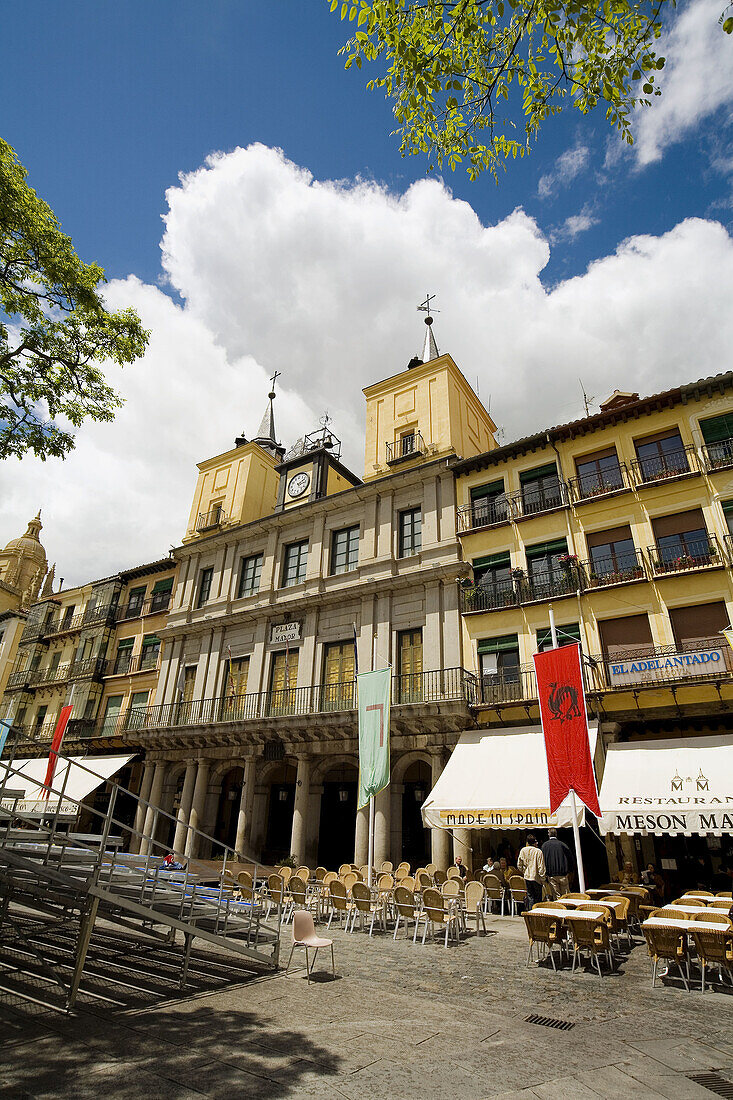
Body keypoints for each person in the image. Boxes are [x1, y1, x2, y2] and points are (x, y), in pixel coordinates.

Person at [541, 828, 572, 900]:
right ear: (556, 834)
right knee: (566, 896)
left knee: (557, 897)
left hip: (551, 875)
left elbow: (542, 860)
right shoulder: (563, 845)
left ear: (548, 834)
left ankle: (559, 909)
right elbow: (570, 858)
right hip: (563, 875)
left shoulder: (544, 846)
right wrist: (570, 871)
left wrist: (545, 874)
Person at [517, 833, 546, 909]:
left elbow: (519, 864)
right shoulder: (538, 851)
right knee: (538, 898)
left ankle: (531, 914)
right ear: (534, 842)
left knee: (530, 897)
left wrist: (524, 871)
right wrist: (543, 879)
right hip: (536, 877)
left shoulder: (523, 850)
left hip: (527, 876)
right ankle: (537, 914)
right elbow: (541, 867)